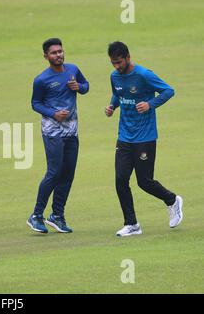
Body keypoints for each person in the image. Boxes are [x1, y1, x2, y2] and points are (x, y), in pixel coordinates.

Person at [105, 41, 183, 237]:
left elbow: (168, 91)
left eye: (119, 62)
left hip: (145, 137)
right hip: (124, 136)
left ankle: (172, 200)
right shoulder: (114, 76)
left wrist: (150, 104)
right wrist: (112, 107)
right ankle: (131, 224)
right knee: (120, 180)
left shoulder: (144, 74)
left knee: (144, 181)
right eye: (113, 63)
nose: (116, 66)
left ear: (128, 57)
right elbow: (118, 94)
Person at [27, 38, 89, 234]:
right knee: (54, 172)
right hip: (52, 131)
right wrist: (53, 114)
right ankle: (36, 215)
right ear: (46, 56)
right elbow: (35, 104)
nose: (58, 55)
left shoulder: (73, 70)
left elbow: (86, 86)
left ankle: (57, 215)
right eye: (54, 53)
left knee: (68, 173)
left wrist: (79, 87)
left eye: (60, 51)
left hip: (72, 130)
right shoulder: (42, 79)